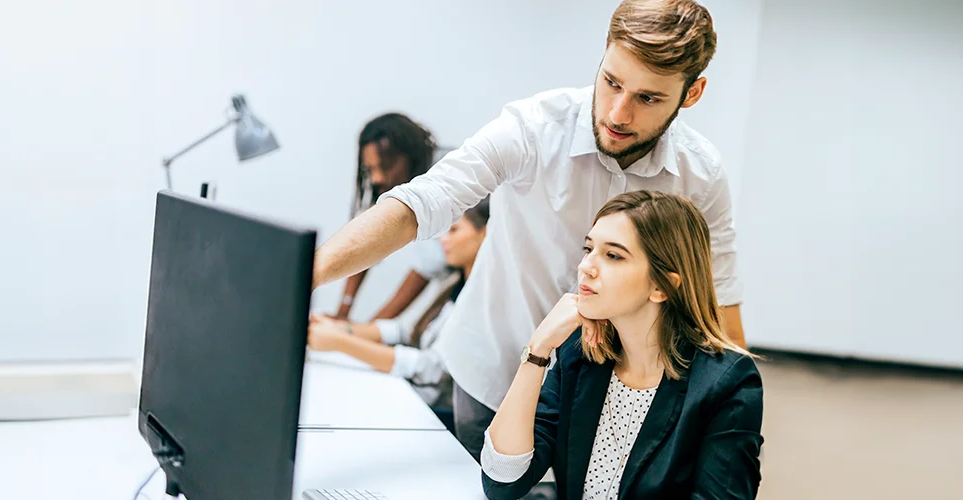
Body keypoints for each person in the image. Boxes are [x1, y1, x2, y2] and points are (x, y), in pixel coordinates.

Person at [312, 0, 746, 459]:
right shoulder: (536, 127)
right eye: (611, 82)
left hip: (610, 392)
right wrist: (305, 275)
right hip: (493, 372)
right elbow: (421, 202)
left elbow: (718, 295)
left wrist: (730, 421)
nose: (618, 113)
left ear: (691, 93)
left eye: (648, 98)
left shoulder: (698, 174)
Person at [481, 191, 763, 500]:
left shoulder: (726, 383)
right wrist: (537, 351)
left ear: (663, 287)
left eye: (613, 256)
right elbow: (502, 481)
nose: (586, 267)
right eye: (589, 249)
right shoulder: (581, 354)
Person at [308, 198, 491, 412]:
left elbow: (432, 369)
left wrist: (341, 342)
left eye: (454, 230)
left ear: (485, 233)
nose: (442, 239)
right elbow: (405, 331)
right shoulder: (451, 285)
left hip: (437, 414)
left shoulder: (484, 301)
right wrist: (342, 328)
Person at [333, 113, 447, 321]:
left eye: (386, 167)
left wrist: (360, 332)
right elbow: (366, 236)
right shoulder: (393, 183)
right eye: (370, 170)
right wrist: (342, 312)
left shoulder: (444, 179)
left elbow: (430, 262)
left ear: (411, 156)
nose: (377, 178)